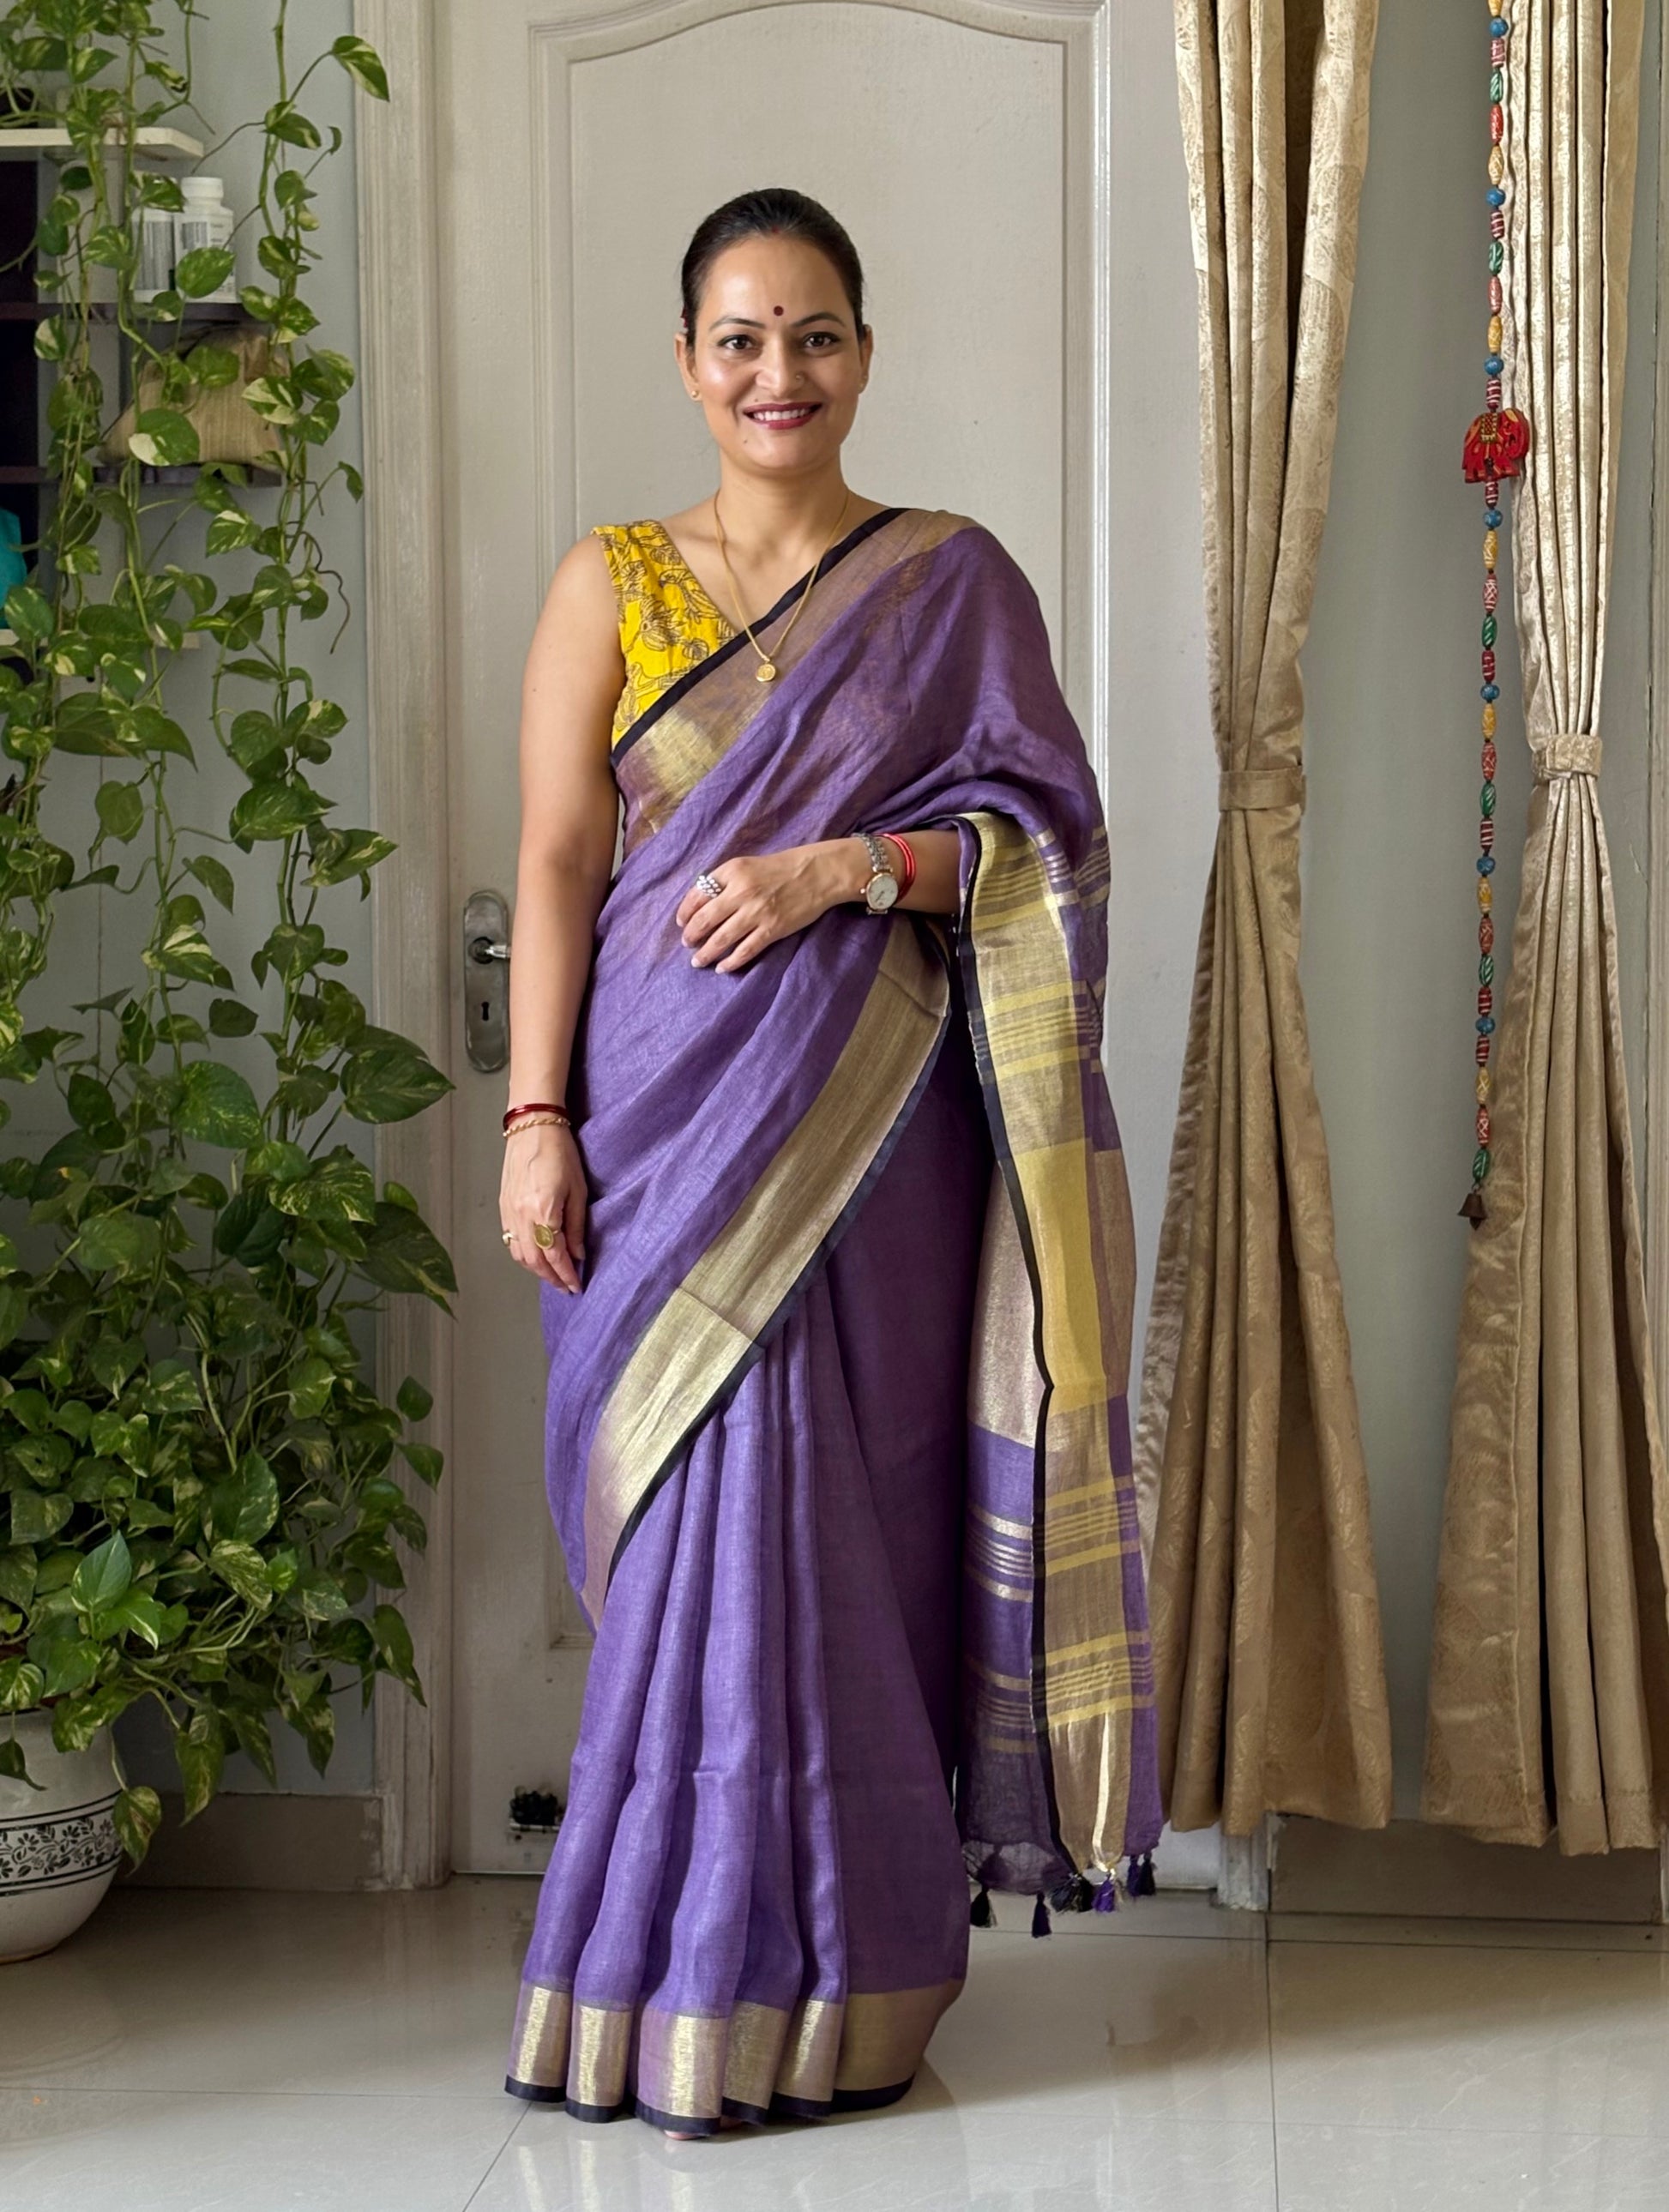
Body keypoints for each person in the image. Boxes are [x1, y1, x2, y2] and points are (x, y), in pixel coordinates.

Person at [498, 186, 1160, 2138]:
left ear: (862, 353)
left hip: (877, 1151)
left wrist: (844, 866)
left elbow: (1045, 853)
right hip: (656, 1124)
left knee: (847, 1537)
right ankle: (653, 1981)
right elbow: (555, 859)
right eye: (739, 338)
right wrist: (533, 1119)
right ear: (686, 361)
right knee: (691, 1540)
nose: (775, 373)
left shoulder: (951, 581)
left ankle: (853, 1988)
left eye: (812, 335)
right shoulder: (609, 581)